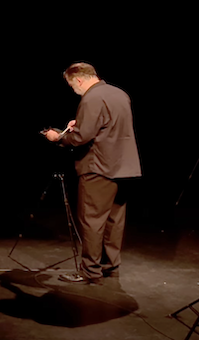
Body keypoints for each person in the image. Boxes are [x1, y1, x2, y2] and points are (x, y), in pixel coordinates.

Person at [43, 63, 140, 283]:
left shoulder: (91, 98)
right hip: (123, 168)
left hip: (99, 168)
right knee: (114, 221)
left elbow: (80, 138)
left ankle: (90, 271)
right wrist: (82, 124)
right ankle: (110, 266)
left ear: (78, 80)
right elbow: (109, 126)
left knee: (92, 220)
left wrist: (57, 138)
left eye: (72, 85)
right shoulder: (120, 94)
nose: (73, 90)